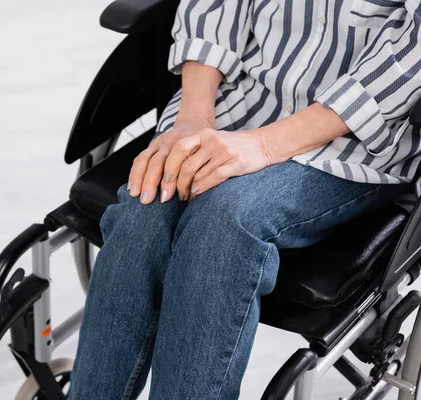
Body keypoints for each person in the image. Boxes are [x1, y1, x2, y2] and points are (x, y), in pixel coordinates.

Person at [68, 0, 421, 398]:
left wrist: (265, 145)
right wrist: (193, 116)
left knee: (225, 221)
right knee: (146, 207)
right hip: (239, 102)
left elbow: (408, 63)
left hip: (354, 142)